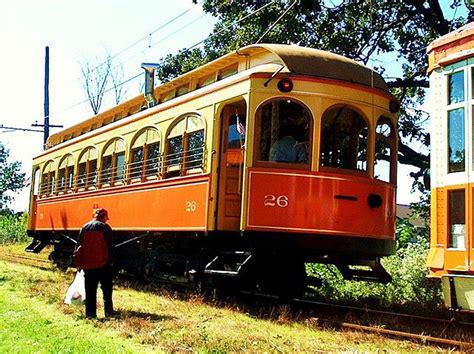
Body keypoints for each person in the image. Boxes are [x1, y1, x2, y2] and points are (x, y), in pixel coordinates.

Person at [74, 208, 114, 318]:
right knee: (106, 290)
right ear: (104, 217)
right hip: (103, 265)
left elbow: (79, 246)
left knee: (90, 291)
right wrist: (111, 262)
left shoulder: (85, 227)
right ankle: (109, 313)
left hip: (88, 265)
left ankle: (90, 314)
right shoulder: (105, 228)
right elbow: (110, 247)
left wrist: (79, 263)